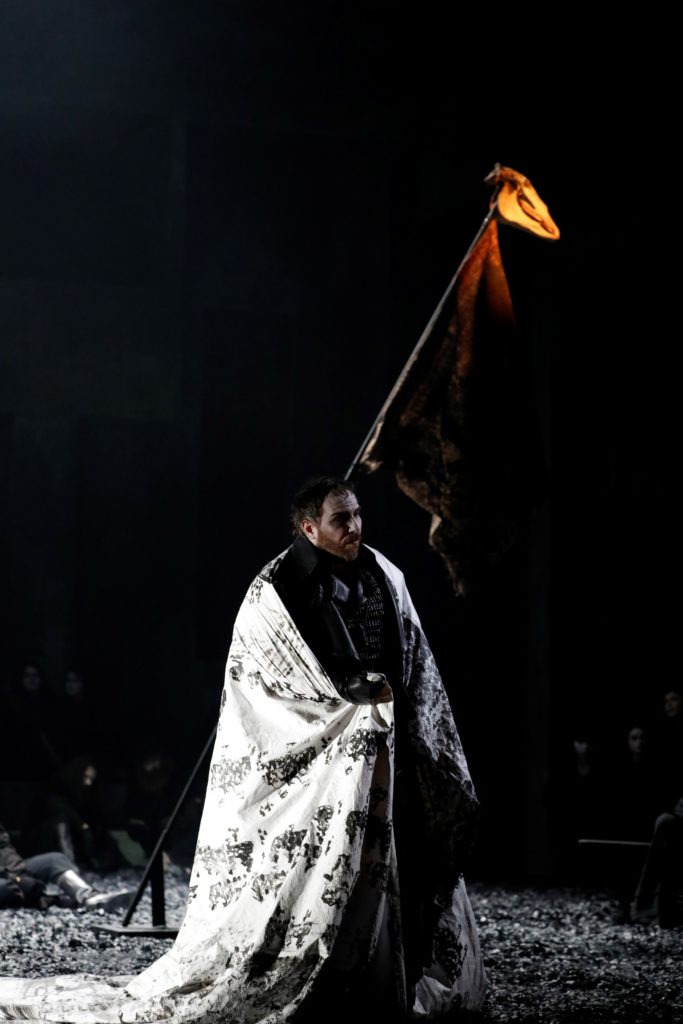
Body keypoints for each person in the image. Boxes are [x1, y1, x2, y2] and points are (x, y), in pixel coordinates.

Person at [0, 475, 485, 1022]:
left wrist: (396, 712)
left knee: (405, 868)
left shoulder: (383, 574)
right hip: (325, 760)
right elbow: (267, 687)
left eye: (356, 514)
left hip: (390, 748)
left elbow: (410, 654)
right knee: (326, 875)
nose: (355, 527)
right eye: (340, 519)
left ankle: (395, 984)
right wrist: (345, 706)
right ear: (310, 528)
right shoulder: (275, 592)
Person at [0, 822, 132, 912]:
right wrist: (16, 879)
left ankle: (88, 897)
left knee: (54, 860)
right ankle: (50, 900)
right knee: (5, 888)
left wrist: (20, 874)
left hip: (10, 873)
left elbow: (5, 849)